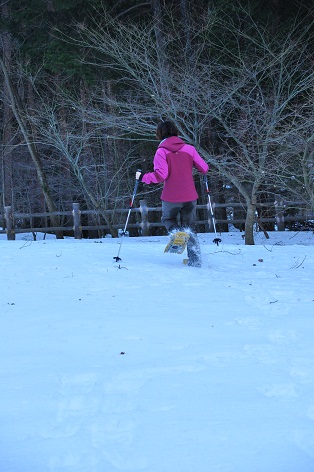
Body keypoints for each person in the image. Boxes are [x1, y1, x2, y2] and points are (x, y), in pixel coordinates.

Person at [136, 120, 209, 267]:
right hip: (190, 195)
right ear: (176, 132)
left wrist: (144, 177)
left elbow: (161, 175)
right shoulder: (189, 149)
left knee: (168, 218)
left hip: (171, 196)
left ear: (160, 134)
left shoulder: (161, 152)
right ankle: (195, 261)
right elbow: (204, 168)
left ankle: (176, 234)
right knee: (190, 226)